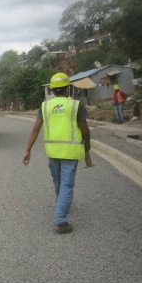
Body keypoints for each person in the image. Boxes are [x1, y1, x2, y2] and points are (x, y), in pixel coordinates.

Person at [22, 73, 91, 234]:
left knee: (58, 181)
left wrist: (27, 150)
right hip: (71, 151)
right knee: (67, 184)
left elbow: (36, 129)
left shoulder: (45, 106)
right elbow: (85, 130)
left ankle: (61, 203)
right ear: (68, 88)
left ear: (52, 90)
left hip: (52, 152)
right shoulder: (76, 105)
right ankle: (60, 221)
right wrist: (87, 144)